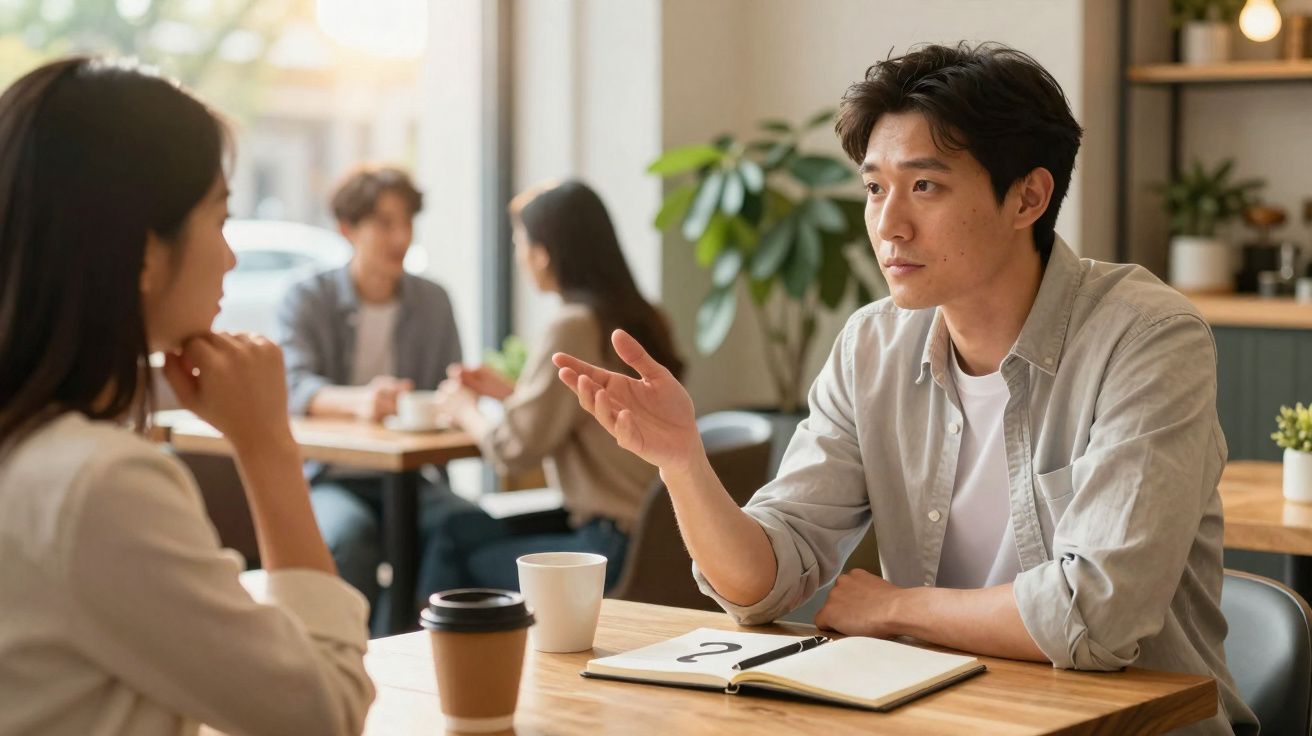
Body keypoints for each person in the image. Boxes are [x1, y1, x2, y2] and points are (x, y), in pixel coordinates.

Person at [552, 43, 1257, 735]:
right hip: (941, 716)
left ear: (1028, 198)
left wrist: (895, 608)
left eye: (925, 186)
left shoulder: (1147, 337)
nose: (888, 225)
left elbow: (1098, 615)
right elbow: (763, 582)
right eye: (874, 188)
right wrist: (683, 464)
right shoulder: (873, 345)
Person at [0, 58, 372, 734]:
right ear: (145, 254)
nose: (231, 258)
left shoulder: (34, 450)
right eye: (220, 218)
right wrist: (267, 446)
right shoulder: (97, 484)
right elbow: (324, 713)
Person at [423, 179, 684, 592]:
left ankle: (419, 637)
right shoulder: (644, 317)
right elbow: (591, 411)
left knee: (451, 544)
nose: (519, 256)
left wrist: (464, 410)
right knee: (457, 528)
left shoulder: (572, 325)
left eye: (519, 243)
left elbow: (515, 449)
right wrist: (511, 393)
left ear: (542, 254)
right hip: (655, 539)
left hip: (608, 546)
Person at [277, 165, 485, 630]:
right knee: (349, 537)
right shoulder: (307, 298)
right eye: (385, 223)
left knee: (466, 526)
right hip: (331, 476)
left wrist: (458, 395)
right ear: (347, 229)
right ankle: (351, 656)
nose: (401, 237)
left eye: (407, 222)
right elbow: (293, 386)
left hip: (413, 478)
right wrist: (362, 402)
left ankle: (417, 645)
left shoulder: (433, 301)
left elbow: (449, 387)